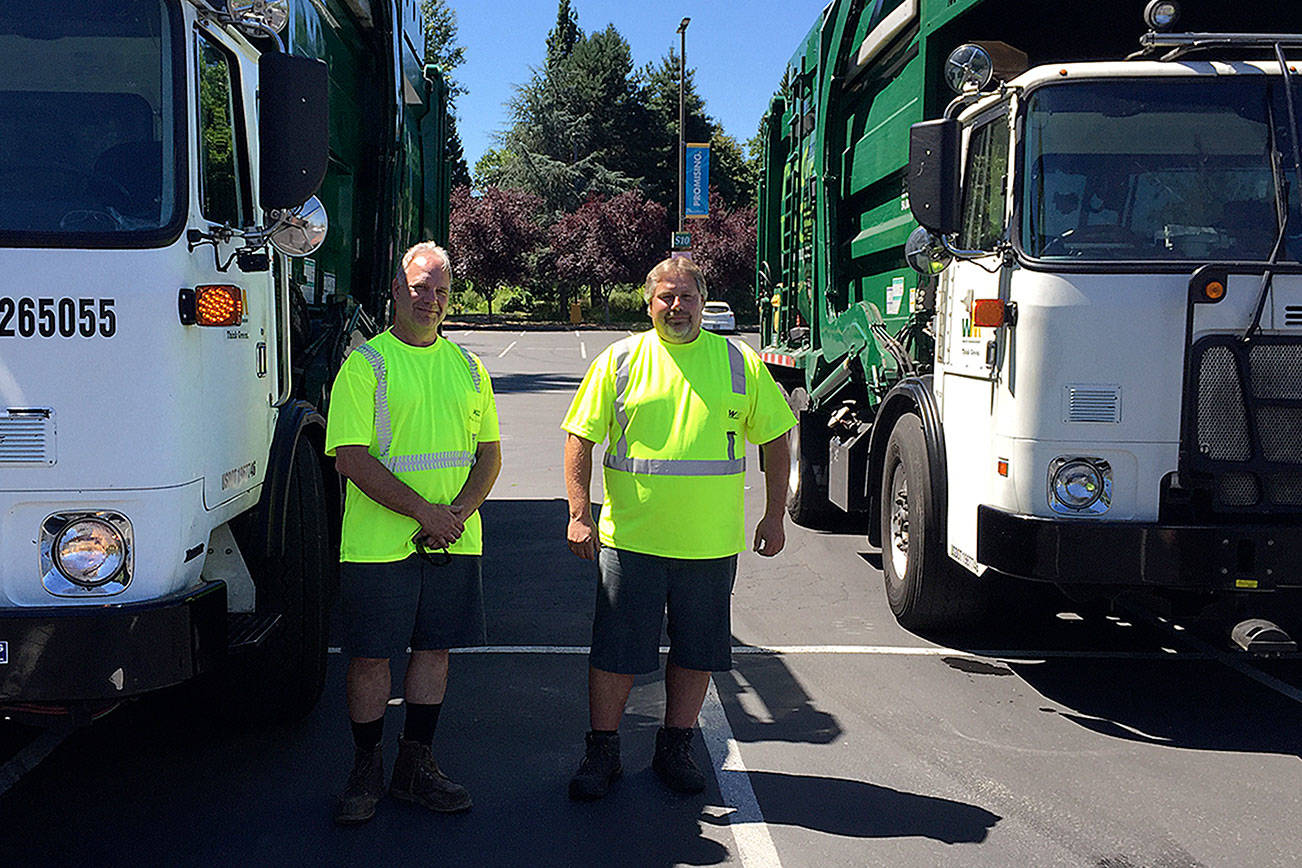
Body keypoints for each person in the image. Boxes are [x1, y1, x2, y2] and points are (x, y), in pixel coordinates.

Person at [561, 256, 796, 800]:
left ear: (703, 301)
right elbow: (580, 437)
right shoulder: (619, 361)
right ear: (649, 303)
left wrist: (774, 514)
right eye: (666, 297)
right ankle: (603, 752)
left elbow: (775, 440)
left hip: (709, 546)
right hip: (632, 542)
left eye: (686, 296)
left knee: (697, 653)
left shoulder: (740, 363)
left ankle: (676, 746)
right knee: (615, 654)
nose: (676, 307)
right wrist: (578, 513)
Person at [325, 242, 502, 825]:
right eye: (420, 287)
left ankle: (414, 765)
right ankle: (366, 765)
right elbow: (350, 458)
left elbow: (489, 456)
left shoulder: (469, 367)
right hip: (379, 545)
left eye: (441, 290)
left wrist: (456, 514)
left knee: (433, 652)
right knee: (372, 659)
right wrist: (427, 514)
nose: (431, 299)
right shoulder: (367, 364)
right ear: (397, 291)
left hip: (452, 539)